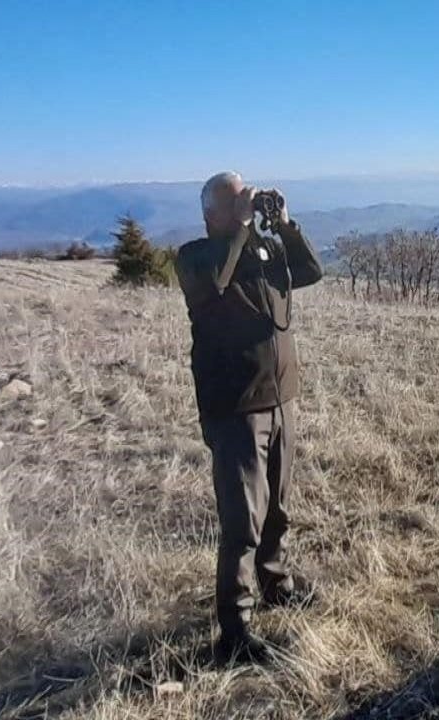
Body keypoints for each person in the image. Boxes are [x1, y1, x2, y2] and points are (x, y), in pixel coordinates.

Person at [174, 171, 323, 663]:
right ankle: (235, 630)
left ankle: (275, 582)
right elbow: (217, 278)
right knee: (243, 521)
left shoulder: (261, 250)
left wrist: (284, 224)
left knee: (278, 506)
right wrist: (240, 228)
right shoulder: (196, 258)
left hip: (281, 398)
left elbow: (310, 271)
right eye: (235, 200)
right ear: (210, 212)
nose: (246, 204)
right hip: (235, 407)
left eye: (247, 196)